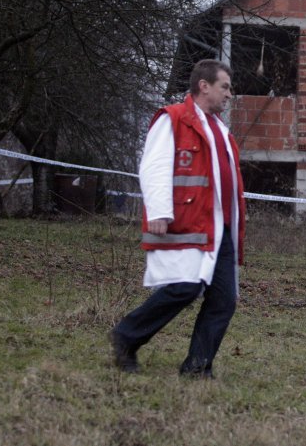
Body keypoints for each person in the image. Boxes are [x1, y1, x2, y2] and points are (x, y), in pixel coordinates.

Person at [110, 59, 246, 378]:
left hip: (221, 227)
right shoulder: (172, 119)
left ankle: (198, 368)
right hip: (189, 221)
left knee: (224, 300)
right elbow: (154, 166)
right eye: (224, 86)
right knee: (184, 287)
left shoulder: (221, 131)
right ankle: (125, 337)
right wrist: (158, 211)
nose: (229, 94)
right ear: (204, 86)